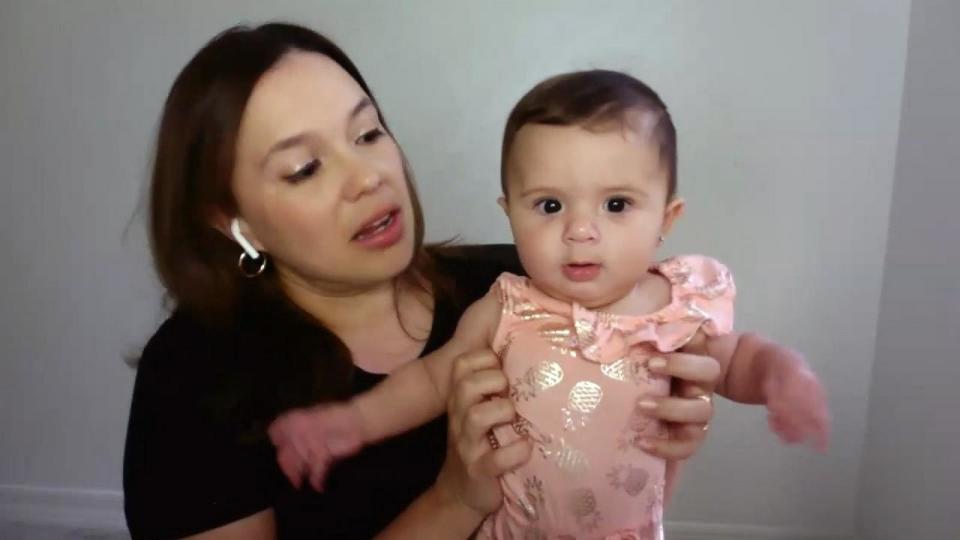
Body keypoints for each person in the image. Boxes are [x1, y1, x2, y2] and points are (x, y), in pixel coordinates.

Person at [122, 24, 722, 539]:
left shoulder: (522, 286)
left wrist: (661, 439)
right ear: (235, 223)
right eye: (305, 168)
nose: (367, 177)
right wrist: (454, 501)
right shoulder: (194, 377)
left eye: (368, 133)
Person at [268, 70, 831, 540]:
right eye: (549, 204)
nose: (579, 231)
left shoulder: (675, 309)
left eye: (616, 204)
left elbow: (735, 361)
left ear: (667, 218)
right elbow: (434, 380)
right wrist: (353, 421)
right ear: (509, 211)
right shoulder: (506, 307)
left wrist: (783, 374)